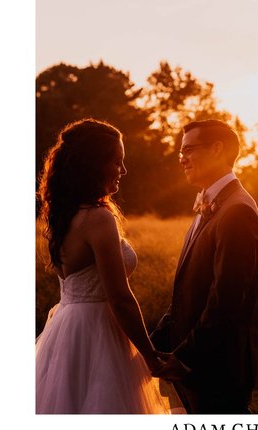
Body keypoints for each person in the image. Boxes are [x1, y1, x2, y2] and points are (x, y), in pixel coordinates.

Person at [35, 118, 170, 414]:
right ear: (93, 165)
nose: (123, 171)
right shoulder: (99, 218)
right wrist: (150, 356)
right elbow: (120, 298)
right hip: (98, 333)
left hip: (67, 329)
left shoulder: (63, 213)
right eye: (117, 161)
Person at [150, 119, 258, 414]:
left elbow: (226, 301)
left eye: (189, 150)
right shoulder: (211, 205)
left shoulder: (237, 211)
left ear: (217, 149)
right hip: (201, 369)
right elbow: (192, 292)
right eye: (181, 153)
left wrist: (185, 357)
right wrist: (151, 342)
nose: (182, 159)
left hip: (218, 368)